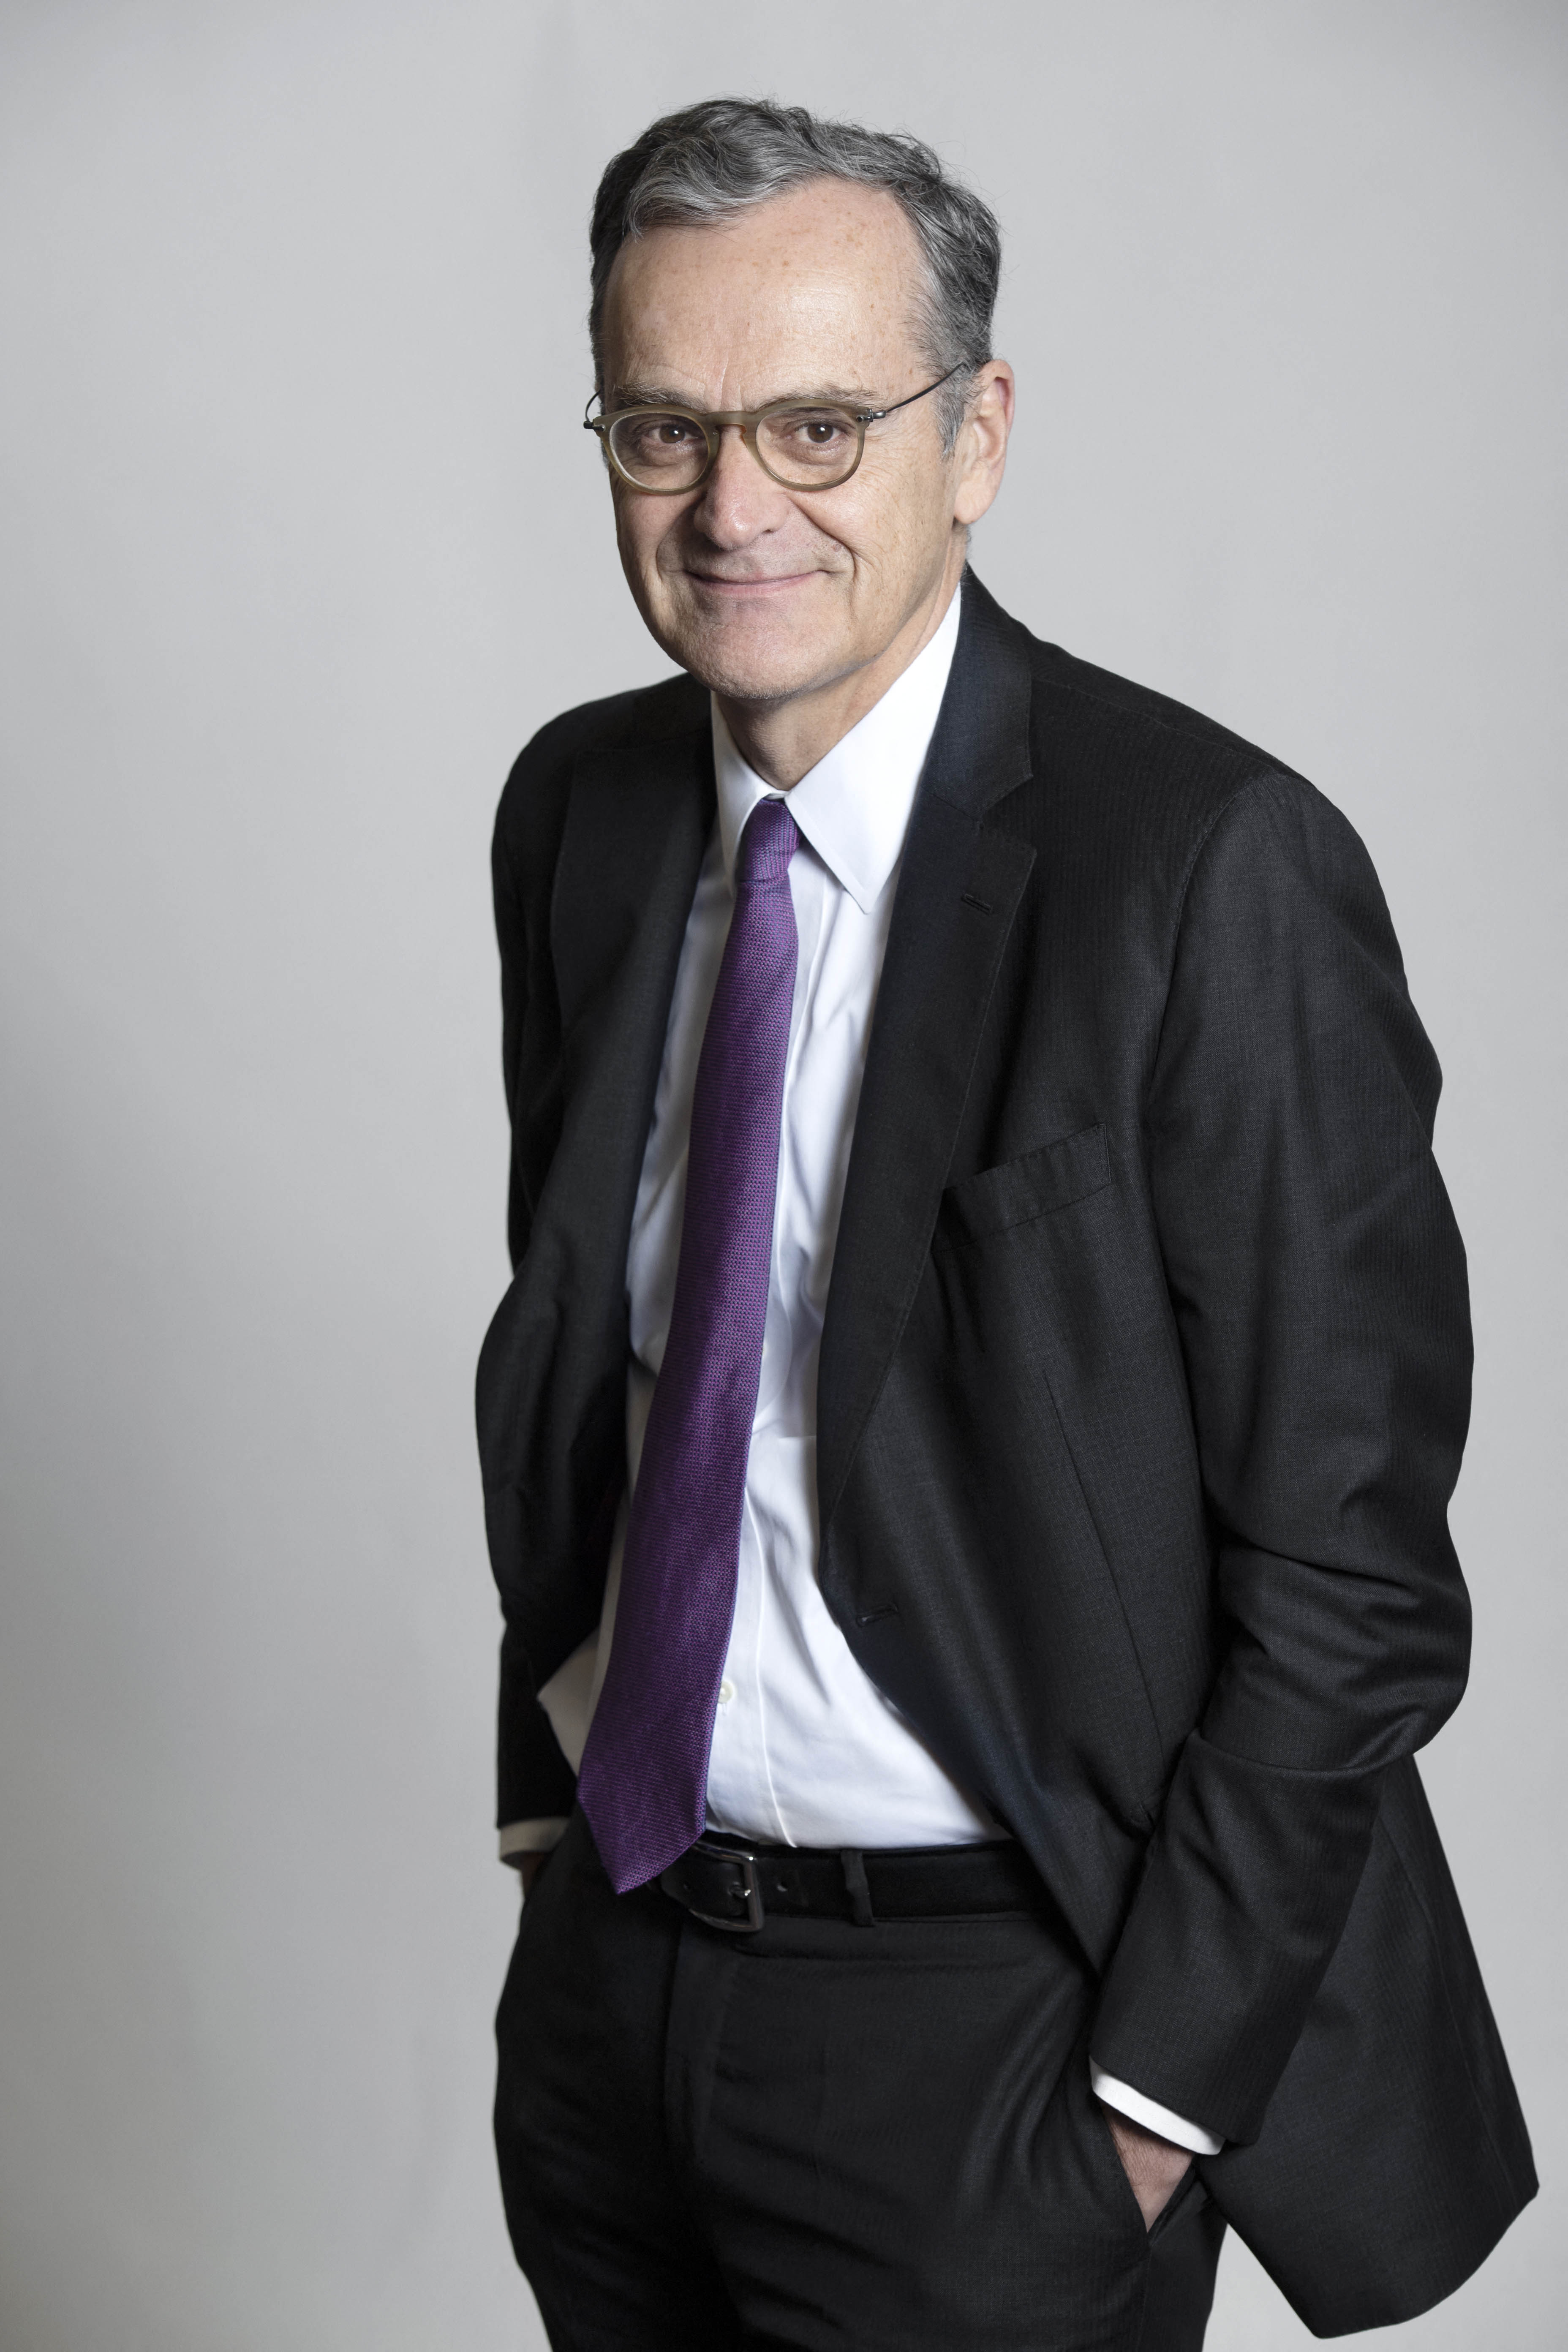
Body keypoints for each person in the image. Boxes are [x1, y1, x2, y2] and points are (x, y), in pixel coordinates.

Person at [476, 97, 1533, 2352]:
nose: (733, 505)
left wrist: (1145, 2111)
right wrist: (555, 1830)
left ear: (976, 440)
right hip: (619, 1995)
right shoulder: (579, 814)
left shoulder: (1207, 870)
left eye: (819, 426)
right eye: (663, 429)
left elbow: (1352, 1579)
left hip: (1000, 2032)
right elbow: (586, 1340)